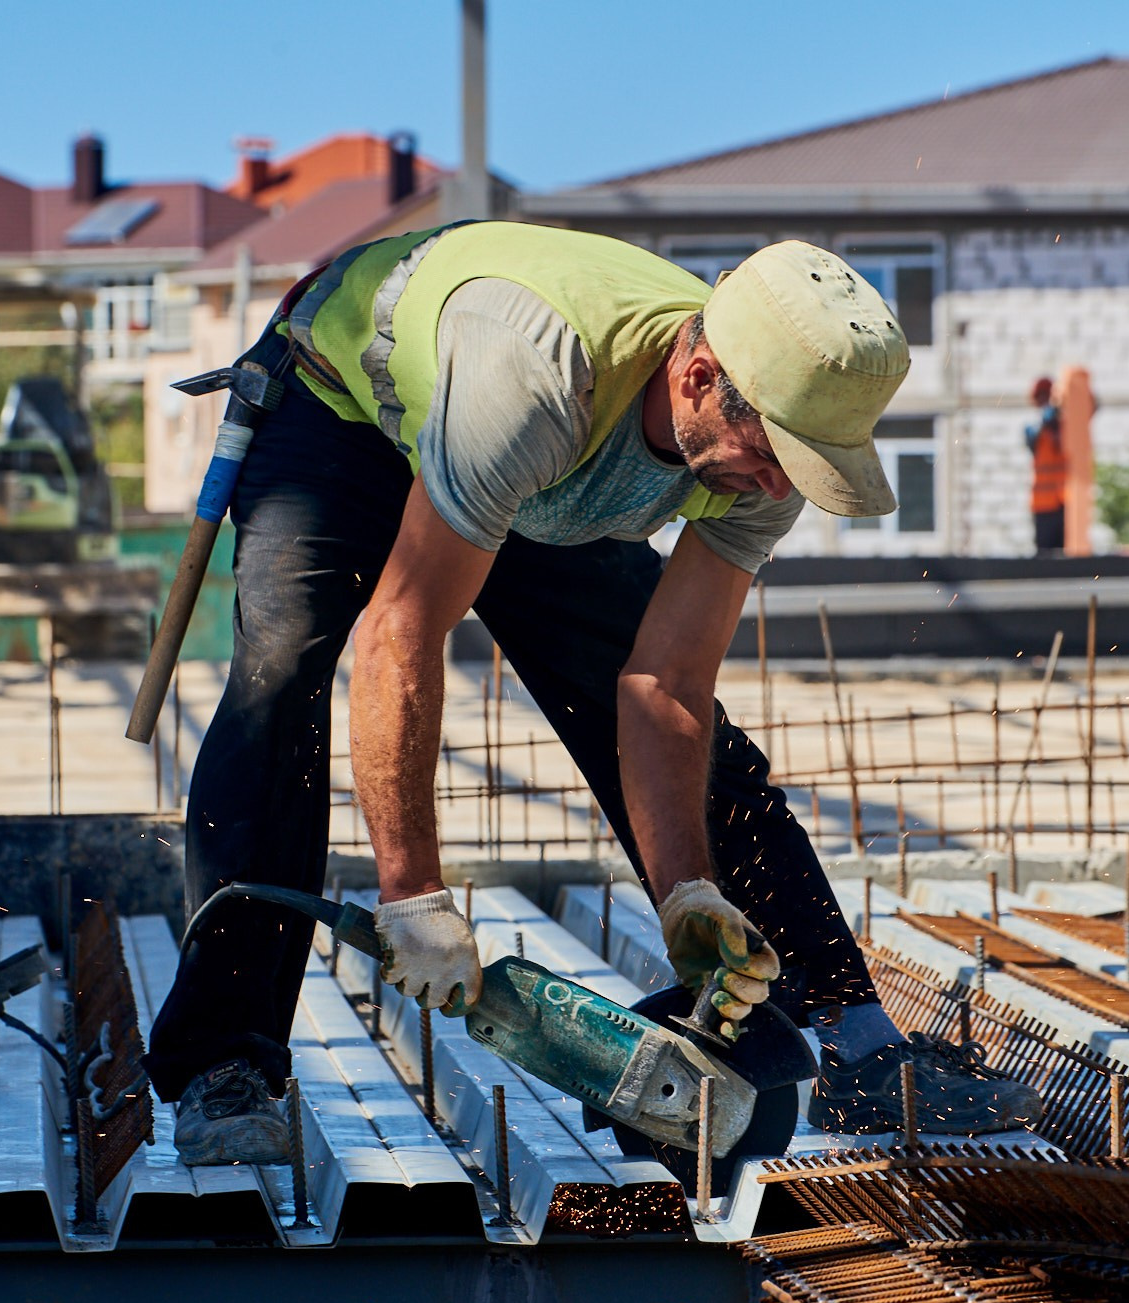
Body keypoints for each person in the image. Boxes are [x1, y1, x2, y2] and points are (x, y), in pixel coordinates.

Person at [144, 221, 1040, 1164]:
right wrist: (411, 894)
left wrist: (689, 890)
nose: (780, 487)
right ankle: (224, 1062)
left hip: (549, 469)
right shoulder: (533, 373)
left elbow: (667, 683)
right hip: (344, 422)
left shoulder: (765, 460)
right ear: (697, 380)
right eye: (771, 453)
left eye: (804, 465)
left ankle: (860, 1044)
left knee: (713, 758)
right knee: (278, 689)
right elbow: (402, 630)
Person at [1024, 377, 1066, 555]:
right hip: (1043, 505)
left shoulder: (1065, 426)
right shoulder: (1033, 427)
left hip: (1065, 502)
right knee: (1045, 556)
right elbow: (1031, 440)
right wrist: (1046, 421)